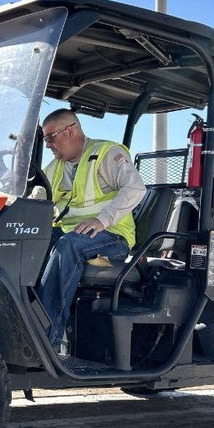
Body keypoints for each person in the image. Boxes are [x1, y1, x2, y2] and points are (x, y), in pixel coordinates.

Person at [37, 109, 146, 351]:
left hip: (112, 235)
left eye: (50, 138)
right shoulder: (55, 167)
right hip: (72, 233)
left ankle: (46, 339)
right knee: (29, 242)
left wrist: (102, 219)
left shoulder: (106, 154)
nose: (48, 146)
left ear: (70, 131)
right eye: (45, 140)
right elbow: (37, 197)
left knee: (68, 246)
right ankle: (21, 320)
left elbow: (136, 188)